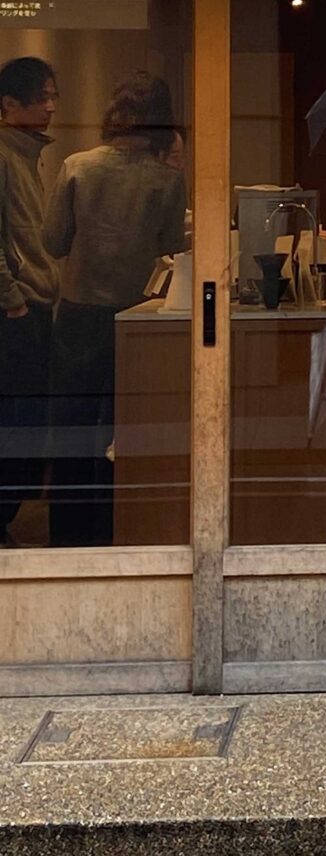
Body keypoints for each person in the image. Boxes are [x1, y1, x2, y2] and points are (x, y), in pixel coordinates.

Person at [43, 72, 186, 546]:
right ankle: (117, 531)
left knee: (72, 429)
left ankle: (67, 537)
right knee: (128, 430)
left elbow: (53, 241)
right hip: (136, 317)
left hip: (78, 313)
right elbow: (170, 247)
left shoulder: (77, 166)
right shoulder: (168, 180)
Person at [0, 57, 59, 546]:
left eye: (53, 96)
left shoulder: (26, 154)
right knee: (18, 425)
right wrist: (13, 300)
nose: (51, 106)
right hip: (15, 310)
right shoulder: (4, 155)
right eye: (42, 97)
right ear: (9, 104)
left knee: (29, 425)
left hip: (33, 303)